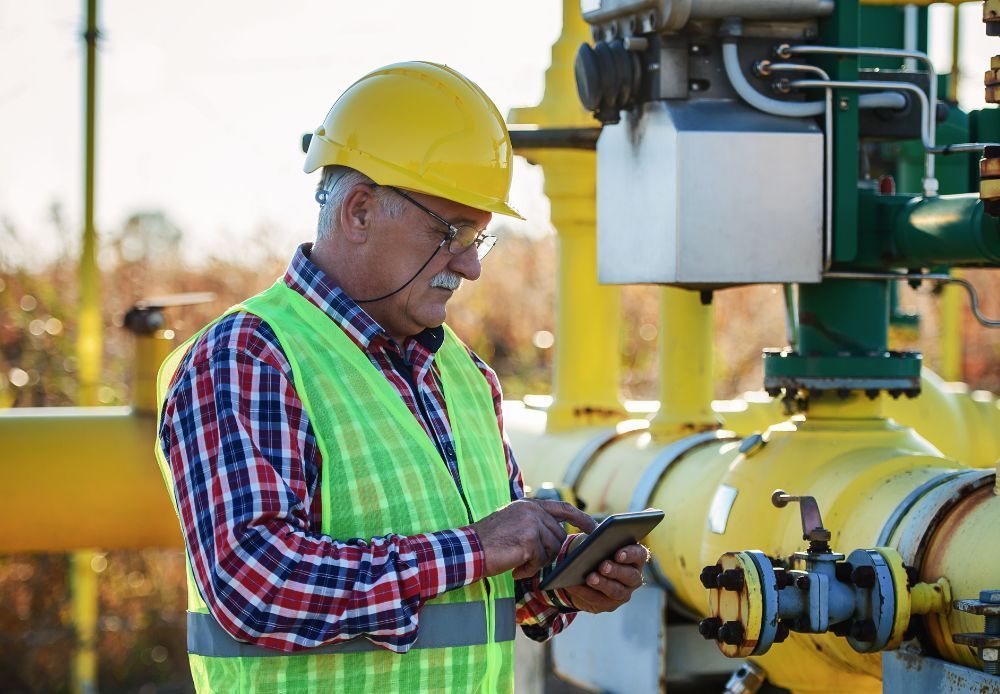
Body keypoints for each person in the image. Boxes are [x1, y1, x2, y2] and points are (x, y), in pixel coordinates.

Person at [155, 61, 648, 693]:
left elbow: (483, 587)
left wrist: (562, 585)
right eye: (453, 232)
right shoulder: (248, 356)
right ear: (358, 211)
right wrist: (479, 546)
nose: (470, 266)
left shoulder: (467, 377)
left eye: (480, 238)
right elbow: (258, 584)